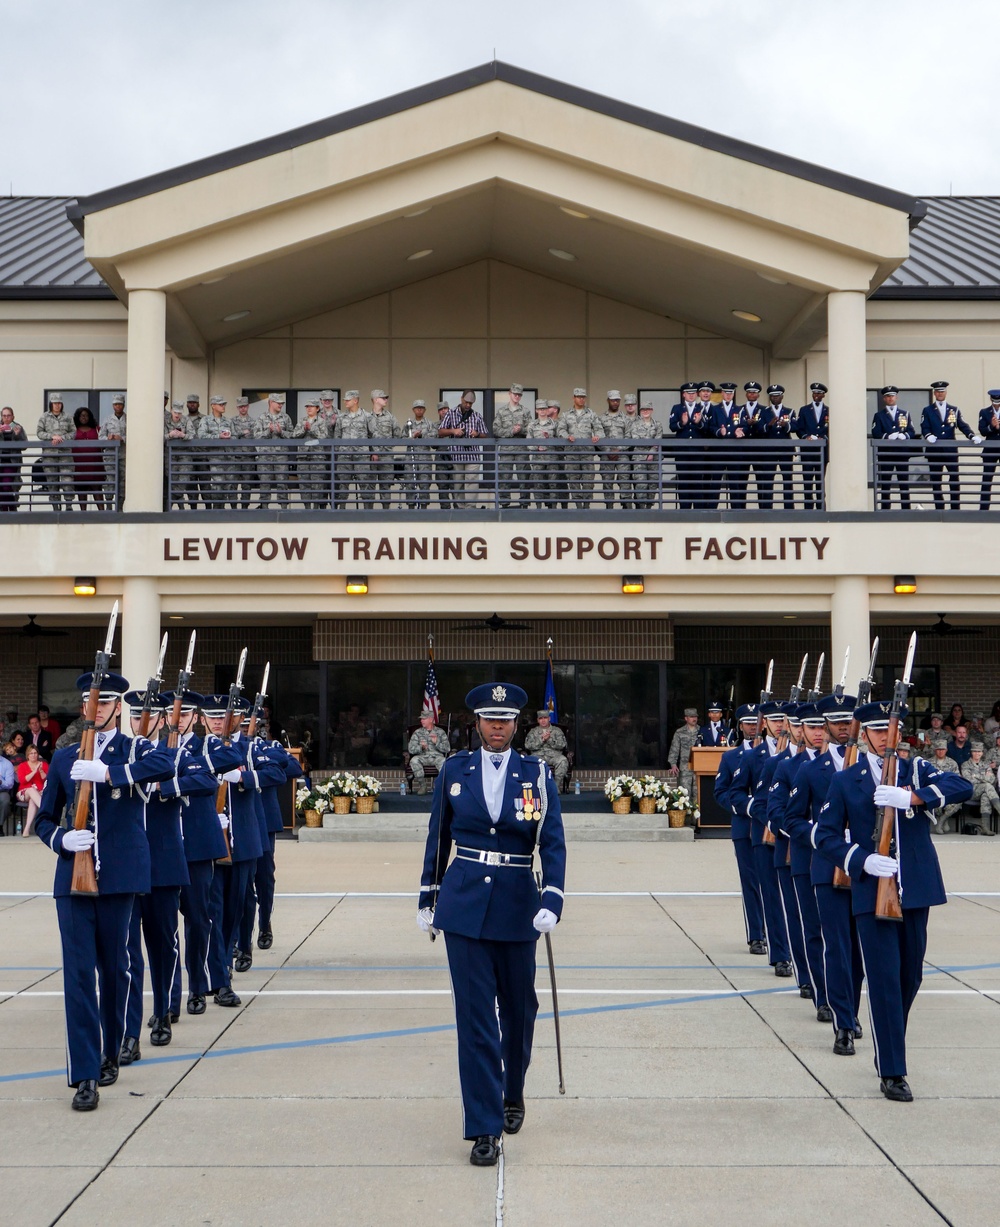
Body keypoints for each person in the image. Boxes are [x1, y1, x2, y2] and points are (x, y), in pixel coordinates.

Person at [417, 682, 566, 1167]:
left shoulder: (537, 772)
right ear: (476, 722)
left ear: (517, 723)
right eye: (488, 719)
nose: (497, 726)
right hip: (463, 905)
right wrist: (428, 896)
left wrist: (553, 897)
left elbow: (554, 842)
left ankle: (512, 1090)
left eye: (505, 720)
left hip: (517, 902)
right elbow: (438, 836)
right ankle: (483, 1126)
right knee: (475, 1019)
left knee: (520, 1011)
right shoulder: (454, 770)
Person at [813, 699, 972, 1101]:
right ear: (863, 735)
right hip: (872, 890)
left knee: (909, 977)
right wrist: (862, 860)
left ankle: (888, 1042)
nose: (885, 736)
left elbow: (962, 786)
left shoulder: (915, 770)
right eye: (877, 730)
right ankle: (892, 1069)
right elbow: (825, 836)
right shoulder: (847, 781)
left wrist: (914, 798)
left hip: (914, 888)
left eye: (891, 730)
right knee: (883, 980)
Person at [32, 669, 175, 1110]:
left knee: (114, 970)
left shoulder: (136, 748)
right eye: (89, 702)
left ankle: (112, 1049)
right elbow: (43, 818)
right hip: (72, 881)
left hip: (119, 876)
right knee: (77, 977)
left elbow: (164, 765)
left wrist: (109, 773)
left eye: (104, 702)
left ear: (117, 707)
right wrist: (61, 840)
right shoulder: (64, 757)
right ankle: (85, 1075)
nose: (93, 709)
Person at [785, 692, 864, 1055]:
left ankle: (854, 1009)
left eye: (849, 722)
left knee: (859, 951)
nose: (844, 728)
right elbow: (791, 819)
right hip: (827, 867)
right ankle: (843, 1022)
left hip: (865, 868)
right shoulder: (809, 769)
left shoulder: (871, 766)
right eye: (836, 722)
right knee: (836, 946)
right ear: (826, 726)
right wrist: (823, 835)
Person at [119, 690, 193, 1057]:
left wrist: (167, 784)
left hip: (163, 865)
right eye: (135, 717)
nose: (140, 723)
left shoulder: (174, 755)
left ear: (163, 720)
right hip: (127, 866)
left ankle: (163, 1011)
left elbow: (203, 781)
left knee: (163, 945)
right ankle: (130, 1032)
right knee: (129, 953)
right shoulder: (117, 756)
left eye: (148, 716)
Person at [713, 704, 770, 959]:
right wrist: (747, 806)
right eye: (747, 723)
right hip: (745, 827)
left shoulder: (773, 755)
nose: (751, 727)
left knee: (772, 883)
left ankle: (774, 931)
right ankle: (756, 935)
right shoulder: (731, 757)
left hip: (771, 828)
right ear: (740, 725)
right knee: (751, 882)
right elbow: (721, 792)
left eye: (755, 722)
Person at [920, 380, 982, 512]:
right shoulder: (927, 410)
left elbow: (962, 425)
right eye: (938, 391)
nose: (940, 393)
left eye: (942, 391)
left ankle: (955, 508)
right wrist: (928, 435)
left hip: (950, 450)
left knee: (954, 479)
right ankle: (939, 509)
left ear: (946, 393)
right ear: (934, 393)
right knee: (936, 481)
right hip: (934, 450)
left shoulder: (954, 409)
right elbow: (924, 426)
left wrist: (971, 435)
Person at [439, 391, 489, 508]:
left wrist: (476, 434)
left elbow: (485, 434)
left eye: (471, 403)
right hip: (457, 455)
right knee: (458, 483)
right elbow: (440, 431)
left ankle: (470, 508)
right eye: (466, 402)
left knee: (472, 483)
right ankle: (460, 509)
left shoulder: (476, 416)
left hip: (472, 455)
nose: (468, 405)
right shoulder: (451, 414)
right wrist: (453, 431)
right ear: (461, 399)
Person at [871, 386, 916, 511]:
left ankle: (906, 509)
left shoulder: (905, 414)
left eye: (892, 396)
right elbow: (876, 432)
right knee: (885, 483)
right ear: (884, 399)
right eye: (888, 396)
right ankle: (885, 509)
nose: (890, 398)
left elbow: (912, 431)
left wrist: (904, 435)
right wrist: (887, 436)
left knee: (904, 483)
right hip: (886, 454)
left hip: (902, 453)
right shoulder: (879, 415)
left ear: (897, 397)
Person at [556, 388, 602, 510]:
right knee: (573, 480)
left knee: (588, 480)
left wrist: (597, 436)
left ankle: (586, 506)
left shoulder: (591, 413)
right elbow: (560, 430)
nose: (581, 399)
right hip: (572, 453)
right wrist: (567, 436)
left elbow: (599, 428)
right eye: (578, 397)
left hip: (587, 453)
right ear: (574, 398)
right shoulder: (566, 414)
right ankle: (578, 506)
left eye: (583, 397)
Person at [753, 385, 794, 511]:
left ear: (782, 396)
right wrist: (768, 425)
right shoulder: (763, 411)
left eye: (777, 395)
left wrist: (786, 425)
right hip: (769, 450)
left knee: (787, 479)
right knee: (768, 479)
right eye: (772, 396)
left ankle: (789, 509)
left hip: (785, 450)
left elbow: (796, 427)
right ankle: (767, 508)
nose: (775, 398)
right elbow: (759, 428)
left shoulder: (789, 411)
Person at [493, 384, 531, 509]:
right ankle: (504, 503)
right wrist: (511, 431)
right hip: (506, 449)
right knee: (504, 477)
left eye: (519, 394)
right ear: (509, 393)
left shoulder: (525, 411)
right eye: (515, 394)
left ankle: (524, 503)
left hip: (521, 449)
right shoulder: (501, 411)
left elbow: (531, 430)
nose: (517, 396)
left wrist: (521, 430)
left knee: (524, 477)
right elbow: (495, 430)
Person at [669, 382, 705, 511]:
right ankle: (684, 510)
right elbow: (672, 426)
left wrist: (698, 423)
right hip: (682, 451)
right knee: (683, 481)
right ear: (684, 394)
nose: (691, 395)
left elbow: (706, 429)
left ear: (696, 394)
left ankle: (698, 510)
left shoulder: (701, 407)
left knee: (697, 481)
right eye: (688, 393)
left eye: (693, 393)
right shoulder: (677, 408)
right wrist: (681, 423)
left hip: (697, 451)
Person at [253, 394, 294, 509]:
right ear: (271, 402)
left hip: (281, 456)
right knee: (265, 482)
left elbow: (292, 436)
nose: (281, 405)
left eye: (282, 403)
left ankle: (284, 508)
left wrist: (282, 432)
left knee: (282, 482)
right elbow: (256, 437)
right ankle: (264, 507)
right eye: (278, 403)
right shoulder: (261, 418)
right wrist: (268, 431)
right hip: (265, 456)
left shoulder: (286, 418)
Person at [332, 390, 371, 509]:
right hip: (345, 455)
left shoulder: (367, 416)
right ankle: (341, 511)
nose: (345, 402)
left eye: (348, 400)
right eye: (344, 400)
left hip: (361, 456)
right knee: (343, 484)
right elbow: (337, 437)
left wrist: (373, 452)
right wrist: (338, 454)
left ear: (356, 400)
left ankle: (367, 512)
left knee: (364, 484)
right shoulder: (341, 417)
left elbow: (372, 434)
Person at [793, 382, 829, 511]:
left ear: (823, 395)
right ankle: (808, 509)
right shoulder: (804, 410)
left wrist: (824, 437)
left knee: (820, 480)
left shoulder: (828, 410)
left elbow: (832, 429)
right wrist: (805, 437)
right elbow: (799, 428)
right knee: (807, 481)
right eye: (814, 393)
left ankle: (820, 508)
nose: (816, 395)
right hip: (807, 450)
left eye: (819, 393)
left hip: (822, 451)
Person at [35, 393, 73, 512]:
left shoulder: (67, 417)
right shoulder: (44, 417)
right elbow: (39, 433)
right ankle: (56, 507)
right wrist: (52, 436)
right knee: (52, 481)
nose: (57, 405)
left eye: (59, 403)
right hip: (49, 455)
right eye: (55, 403)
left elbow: (73, 432)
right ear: (51, 404)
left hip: (65, 454)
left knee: (67, 480)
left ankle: (68, 505)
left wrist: (62, 437)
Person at [366, 389, 402, 509]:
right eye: (383, 398)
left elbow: (397, 435)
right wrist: (373, 452)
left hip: (386, 457)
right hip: (370, 457)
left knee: (385, 486)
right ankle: (368, 514)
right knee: (369, 486)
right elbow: (363, 436)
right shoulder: (366, 417)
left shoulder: (390, 417)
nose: (386, 400)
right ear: (376, 399)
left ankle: (386, 513)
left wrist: (386, 448)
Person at [292, 399, 331, 510]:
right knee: (304, 484)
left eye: (312, 406)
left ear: (317, 408)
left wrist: (312, 430)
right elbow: (294, 435)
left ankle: (316, 508)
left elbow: (323, 437)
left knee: (317, 484)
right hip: (303, 457)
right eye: (307, 406)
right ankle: (307, 508)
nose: (309, 408)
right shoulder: (302, 421)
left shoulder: (322, 421)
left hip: (317, 457)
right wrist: (304, 429)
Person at [197, 396, 234, 510]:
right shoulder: (206, 420)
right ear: (213, 405)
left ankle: (224, 511)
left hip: (228, 457)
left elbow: (236, 436)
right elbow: (201, 436)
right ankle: (217, 511)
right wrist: (218, 436)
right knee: (217, 485)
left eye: (224, 404)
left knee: (229, 486)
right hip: (215, 458)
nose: (223, 406)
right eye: (220, 404)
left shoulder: (228, 421)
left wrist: (230, 438)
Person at [597, 390, 631, 510]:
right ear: (608, 401)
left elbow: (629, 436)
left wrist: (619, 450)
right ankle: (609, 508)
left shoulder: (625, 418)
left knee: (625, 480)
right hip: (606, 455)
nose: (615, 402)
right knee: (607, 482)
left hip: (622, 455)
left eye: (617, 400)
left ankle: (626, 507)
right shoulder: (601, 418)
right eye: (613, 400)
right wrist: (607, 450)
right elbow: (598, 436)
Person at [407, 708, 451, 795]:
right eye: (421, 719)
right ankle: (422, 786)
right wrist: (421, 747)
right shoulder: (417, 732)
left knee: (444, 761)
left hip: (436, 757)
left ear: (431, 719)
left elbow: (447, 749)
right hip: (423, 757)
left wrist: (437, 743)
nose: (422, 721)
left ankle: (441, 787)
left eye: (424, 719)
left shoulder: (440, 732)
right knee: (414, 760)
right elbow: (411, 749)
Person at [524, 709, 570, 792]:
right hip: (538, 755)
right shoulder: (533, 732)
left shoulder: (557, 731)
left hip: (554, 755)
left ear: (549, 718)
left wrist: (549, 740)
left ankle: (555, 787)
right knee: (530, 761)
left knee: (563, 760)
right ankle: (536, 788)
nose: (543, 720)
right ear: (538, 720)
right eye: (541, 718)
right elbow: (528, 746)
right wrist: (542, 740)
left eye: (545, 718)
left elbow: (562, 745)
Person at [961, 742, 1000, 835]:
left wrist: (976, 776)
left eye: (979, 751)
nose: (977, 753)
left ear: (982, 753)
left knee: (986, 796)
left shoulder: (986, 765)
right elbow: (969, 780)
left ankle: (985, 828)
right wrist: (984, 777)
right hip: (971, 792)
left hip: (984, 791)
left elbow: (992, 779)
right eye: (975, 751)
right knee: (987, 786)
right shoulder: (965, 765)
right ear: (971, 752)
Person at [526, 399, 559, 509]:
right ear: (536, 410)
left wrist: (550, 439)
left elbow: (560, 440)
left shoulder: (554, 424)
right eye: (540, 409)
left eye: (544, 409)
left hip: (551, 458)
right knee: (538, 484)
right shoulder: (532, 425)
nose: (542, 411)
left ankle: (553, 507)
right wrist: (536, 447)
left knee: (553, 484)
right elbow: (528, 442)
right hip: (538, 459)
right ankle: (538, 507)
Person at [630, 400, 662, 510]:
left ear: (651, 410)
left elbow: (658, 440)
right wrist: (650, 446)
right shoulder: (634, 424)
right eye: (643, 409)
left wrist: (652, 452)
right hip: (639, 458)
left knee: (653, 484)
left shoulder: (657, 424)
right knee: (641, 484)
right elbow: (636, 439)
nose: (645, 411)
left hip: (654, 458)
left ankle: (649, 508)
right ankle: (641, 507)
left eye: (647, 409)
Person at [405, 400, 436, 510]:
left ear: (425, 410)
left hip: (424, 460)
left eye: (421, 408)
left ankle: (423, 510)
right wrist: (411, 436)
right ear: (413, 410)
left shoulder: (429, 424)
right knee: (410, 484)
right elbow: (402, 438)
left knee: (424, 484)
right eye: (417, 408)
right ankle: (411, 510)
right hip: (411, 459)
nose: (419, 410)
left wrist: (422, 434)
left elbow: (434, 438)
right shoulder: (408, 424)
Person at [98, 393, 126, 510]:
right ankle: (109, 505)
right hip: (110, 454)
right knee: (110, 479)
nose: (118, 407)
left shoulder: (129, 419)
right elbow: (100, 436)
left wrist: (122, 438)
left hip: (124, 454)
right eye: (115, 404)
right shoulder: (107, 419)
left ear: (123, 405)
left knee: (123, 481)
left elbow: (135, 436)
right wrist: (108, 438)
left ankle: (119, 507)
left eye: (120, 404)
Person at [229, 397, 258, 510]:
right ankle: (233, 508)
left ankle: (245, 508)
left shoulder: (253, 422)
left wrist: (238, 434)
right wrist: (242, 432)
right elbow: (232, 435)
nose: (243, 408)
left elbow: (254, 435)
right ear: (237, 407)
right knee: (233, 485)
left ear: (248, 406)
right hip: (235, 456)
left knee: (247, 485)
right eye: (241, 406)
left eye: (245, 406)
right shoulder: (232, 421)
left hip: (248, 457)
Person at [667, 708, 701, 801]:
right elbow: (674, 748)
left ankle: (698, 815)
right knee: (684, 795)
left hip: (699, 768)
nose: (694, 719)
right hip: (685, 768)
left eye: (695, 717)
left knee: (698, 795)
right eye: (691, 717)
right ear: (686, 718)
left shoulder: (702, 731)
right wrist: (673, 764)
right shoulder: (679, 732)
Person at [16, 743, 47, 836]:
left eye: (35, 753)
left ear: (38, 754)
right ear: (27, 755)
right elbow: (23, 780)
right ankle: (45, 810)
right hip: (24, 792)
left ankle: (26, 829)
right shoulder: (22, 765)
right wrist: (34, 771)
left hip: (40, 792)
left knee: (33, 801)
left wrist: (41, 770)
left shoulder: (44, 764)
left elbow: (46, 779)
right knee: (31, 790)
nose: (33, 755)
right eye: (31, 753)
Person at [0, 405, 27, 511]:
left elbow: (25, 445)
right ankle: (5, 509)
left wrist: (16, 435)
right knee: (1, 487)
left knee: (7, 486)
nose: (6, 418)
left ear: (13, 417)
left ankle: (11, 508)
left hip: (11, 462)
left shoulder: (18, 427)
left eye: (9, 415)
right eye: (4, 415)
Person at [0, 752, 15, 834]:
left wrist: (1, 782)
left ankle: (0, 826)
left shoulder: (7, 764)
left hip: (2, 790)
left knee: (5, 799)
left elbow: (10, 784)